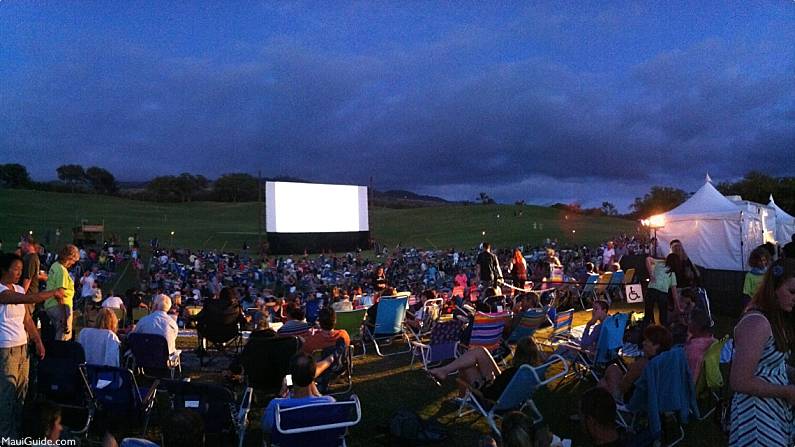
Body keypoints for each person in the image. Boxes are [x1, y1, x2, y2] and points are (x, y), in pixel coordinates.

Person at [729, 258, 795, 446]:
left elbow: (771, 364)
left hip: (772, 405)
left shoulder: (777, 317)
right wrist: (787, 392)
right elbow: (739, 381)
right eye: (791, 291)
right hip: (755, 412)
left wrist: (791, 373)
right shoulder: (757, 322)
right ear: (773, 288)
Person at [0, 253, 65, 437]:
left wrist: (37, 340)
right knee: (6, 396)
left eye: (21, 269)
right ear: (4, 269)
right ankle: (6, 437)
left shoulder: (20, 289)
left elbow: (26, 318)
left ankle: (17, 433)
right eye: (15, 269)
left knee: (21, 393)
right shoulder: (3, 291)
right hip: (6, 350)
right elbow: (29, 299)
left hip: (22, 348)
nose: (19, 272)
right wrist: (53, 292)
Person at [427, 336, 541, 399]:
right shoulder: (532, 372)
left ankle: (458, 394)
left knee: (466, 366)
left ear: (518, 354)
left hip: (489, 396)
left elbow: (493, 388)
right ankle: (444, 371)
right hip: (503, 389)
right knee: (480, 351)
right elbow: (502, 380)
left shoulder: (514, 372)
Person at [261, 352, 336, 436]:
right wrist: (315, 389)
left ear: (291, 377)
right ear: (313, 377)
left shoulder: (276, 405)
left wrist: (281, 395)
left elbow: (266, 428)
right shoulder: (328, 402)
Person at [600, 325, 673, 403]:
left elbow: (623, 387)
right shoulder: (667, 362)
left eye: (647, 341)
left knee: (611, 371)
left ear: (656, 346)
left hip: (632, 402)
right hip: (657, 401)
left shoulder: (643, 364)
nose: (643, 343)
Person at [45, 244, 80, 341]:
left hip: (50, 305)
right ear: (69, 258)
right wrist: (64, 316)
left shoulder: (54, 266)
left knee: (57, 333)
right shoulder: (62, 271)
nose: (73, 264)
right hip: (60, 307)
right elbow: (60, 294)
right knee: (63, 336)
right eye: (73, 261)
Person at [643, 253, 682, 327]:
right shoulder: (672, 274)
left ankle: (644, 333)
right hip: (662, 294)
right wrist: (678, 306)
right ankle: (664, 333)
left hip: (651, 290)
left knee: (647, 315)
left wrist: (651, 275)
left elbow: (648, 259)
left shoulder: (659, 265)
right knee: (663, 316)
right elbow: (674, 293)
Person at [684, 308, 715, 384]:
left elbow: (691, 380)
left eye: (690, 320)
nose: (688, 322)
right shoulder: (711, 341)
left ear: (695, 325)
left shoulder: (693, 350)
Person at [18, 237, 47, 314]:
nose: (21, 246)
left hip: (28, 294)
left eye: (22, 243)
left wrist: (21, 296)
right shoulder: (31, 257)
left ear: (28, 244)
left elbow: (28, 278)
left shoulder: (31, 258)